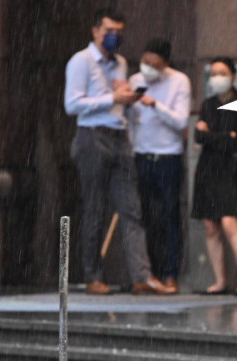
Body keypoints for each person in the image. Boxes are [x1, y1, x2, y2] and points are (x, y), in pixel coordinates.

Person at [64, 8, 175, 295]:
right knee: (94, 209)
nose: (114, 36)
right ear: (95, 31)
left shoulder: (121, 62)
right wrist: (112, 97)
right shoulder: (82, 61)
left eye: (119, 31)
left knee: (132, 209)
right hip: (92, 137)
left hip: (120, 138)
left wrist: (126, 96)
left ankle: (142, 276)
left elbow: (116, 101)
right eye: (109, 31)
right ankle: (93, 276)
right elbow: (72, 105)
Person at [128, 38, 191, 294]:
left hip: (168, 158)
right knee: (144, 217)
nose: (148, 68)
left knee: (169, 217)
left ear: (165, 64)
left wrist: (155, 104)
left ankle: (170, 273)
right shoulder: (134, 81)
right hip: (141, 156)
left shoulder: (179, 81)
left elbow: (180, 121)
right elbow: (131, 121)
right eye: (145, 62)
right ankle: (147, 273)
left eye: (154, 64)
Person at [191, 57, 237, 295]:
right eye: (213, 73)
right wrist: (225, 136)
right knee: (210, 226)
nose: (217, 77)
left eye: (222, 72)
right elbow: (198, 137)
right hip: (206, 169)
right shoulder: (207, 104)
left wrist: (211, 136)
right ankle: (220, 280)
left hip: (228, 168)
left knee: (229, 222)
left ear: (233, 75)